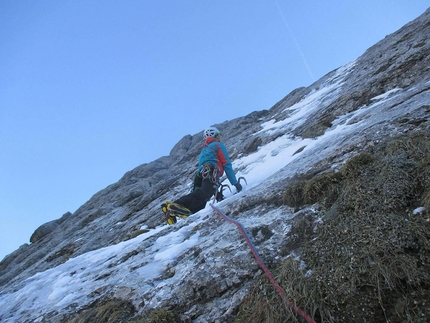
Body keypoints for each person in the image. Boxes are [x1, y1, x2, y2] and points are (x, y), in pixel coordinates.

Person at [162, 126, 242, 224]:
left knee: (201, 202)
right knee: (204, 193)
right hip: (211, 171)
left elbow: (209, 185)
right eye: (218, 136)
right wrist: (235, 183)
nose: (219, 138)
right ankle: (177, 205)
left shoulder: (204, 150)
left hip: (200, 174)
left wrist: (219, 197)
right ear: (215, 136)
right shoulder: (217, 145)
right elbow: (227, 164)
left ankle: (175, 212)